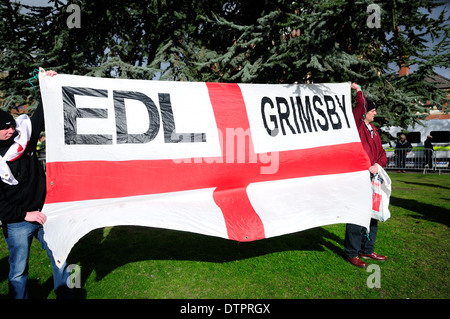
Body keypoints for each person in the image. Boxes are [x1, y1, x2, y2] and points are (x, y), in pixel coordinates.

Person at [0, 70, 73, 298]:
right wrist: (25, 215)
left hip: (47, 211)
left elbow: (42, 116)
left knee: (66, 257)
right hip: (18, 222)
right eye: (5, 128)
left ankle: (72, 294)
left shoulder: (25, 140)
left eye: (12, 125)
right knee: (18, 271)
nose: (12, 131)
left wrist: (47, 85)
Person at [344, 83, 388, 268]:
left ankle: (367, 249)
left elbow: (382, 155)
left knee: (373, 215)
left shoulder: (374, 131)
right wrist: (359, 90)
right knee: (356, 215)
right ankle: (351, 253)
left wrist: (377, 165)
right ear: (365, 112)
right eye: (373, 110)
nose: (375, 113)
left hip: (373, 179)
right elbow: (360, 107)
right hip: (358, 178)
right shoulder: (358, 126)